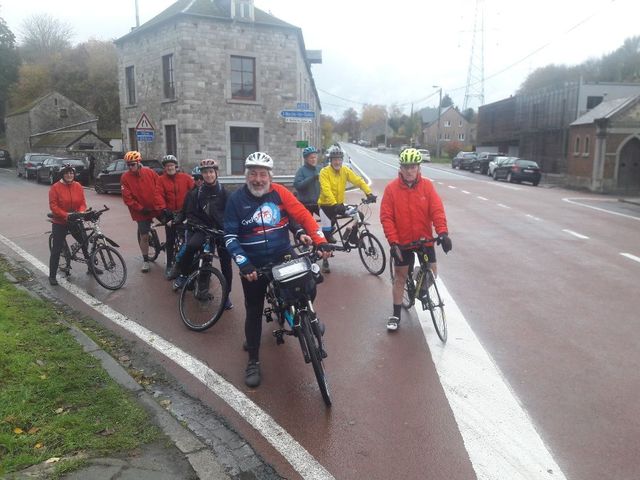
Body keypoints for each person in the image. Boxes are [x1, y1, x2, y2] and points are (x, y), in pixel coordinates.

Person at [224, 151, 331, 388]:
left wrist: (319, 239)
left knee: (309, 283)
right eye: (253, 174)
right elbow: (230, 237)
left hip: (282, 254)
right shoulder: (236, 200)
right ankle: (253, 360)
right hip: (254, 263)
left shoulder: (280, 192)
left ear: (270, 177)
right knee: (254, 310)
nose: (258, 179)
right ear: (246, 176)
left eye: (263, 174)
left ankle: (308, 316)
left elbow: (303, 215)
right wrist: (244, 263)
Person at [379, 148, 453, 331]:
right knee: (400, 277)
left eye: (413, 167)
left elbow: (437, 210)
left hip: (424, 239)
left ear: (419, 168)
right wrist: (393, 242)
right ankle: (396, 315)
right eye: (406, 167)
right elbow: (386, 217)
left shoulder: (427, 186)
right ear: (401, 168)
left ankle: (421, 290)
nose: (409, 171)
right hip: (402, 242)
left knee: (432, 272)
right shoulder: (391, 189)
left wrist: (443, 233)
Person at [173, 159, 234, 310]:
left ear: (216, 173)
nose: (208, 175)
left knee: (226, 264)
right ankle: (184, 275)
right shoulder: (196, 193)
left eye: (211, 172)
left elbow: (232, 214)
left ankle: (226, 295)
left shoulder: (225, 193)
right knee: (191, 247)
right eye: (205, 172)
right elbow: (190, 213)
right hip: (204, 230)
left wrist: (228, 228)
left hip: (221, 232)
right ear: (202, 174)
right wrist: (197, 224)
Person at [318, 144, 376, 273]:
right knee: (326, 236)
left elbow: (358, 180)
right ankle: (325, 260)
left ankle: (353, 237)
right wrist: (334, 204)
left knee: (359, 215)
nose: (337, 162)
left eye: (339, 159)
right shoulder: (324, 172)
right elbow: (326, 190)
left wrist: (369, 193)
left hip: (339, 204)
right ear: (330, 160)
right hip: (326, 206)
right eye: (335, 159)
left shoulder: (345, 170)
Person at [48, 163, 91, 285]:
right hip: (60, 221)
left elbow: (82, 202)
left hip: (75, 220)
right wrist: (66, 215)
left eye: (71, 173)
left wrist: (81, 211)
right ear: (62, 174)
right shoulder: (55, 188)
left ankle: (91, 267)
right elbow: (53, 206)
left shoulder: (78, 186)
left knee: (84, 242)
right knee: (56, 249)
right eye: (66, 173)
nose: (69, 175)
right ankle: (52, 276)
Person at [120, 151, 163, 273]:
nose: (130, 167)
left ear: (138, 162)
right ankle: (145, 260)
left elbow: (159, 186)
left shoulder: (149, 172)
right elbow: (127, 198)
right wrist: (141, 208)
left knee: (170, 224)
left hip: (155, 207)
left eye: (132, 164)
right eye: (128, 165)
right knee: (144, 236)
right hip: (140, 211)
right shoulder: (125, 177)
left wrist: (160, 203)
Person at [156, 154, 194, 278]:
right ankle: (169, 265)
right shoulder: (161, 180)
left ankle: (186, 263)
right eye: (167, 166)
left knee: (187, 239)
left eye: (171, 165)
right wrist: (164, 209)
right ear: (165, 168)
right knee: (170, 240)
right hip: (170, 213)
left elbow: (193, 191)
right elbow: (158, 195)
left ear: (176, 166)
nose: (170, 167)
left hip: (184, 212)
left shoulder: (185, 178)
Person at [293, 146, 322, 215]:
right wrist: (312, 178)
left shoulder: (320, 169)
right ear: (306, 159)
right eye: (311, 158)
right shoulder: (301, 171)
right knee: (308, 221)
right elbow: (297, 185)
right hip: (306, 204)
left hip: (318, 203)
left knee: (329, 219)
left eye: (315, 157)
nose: (313, 159)